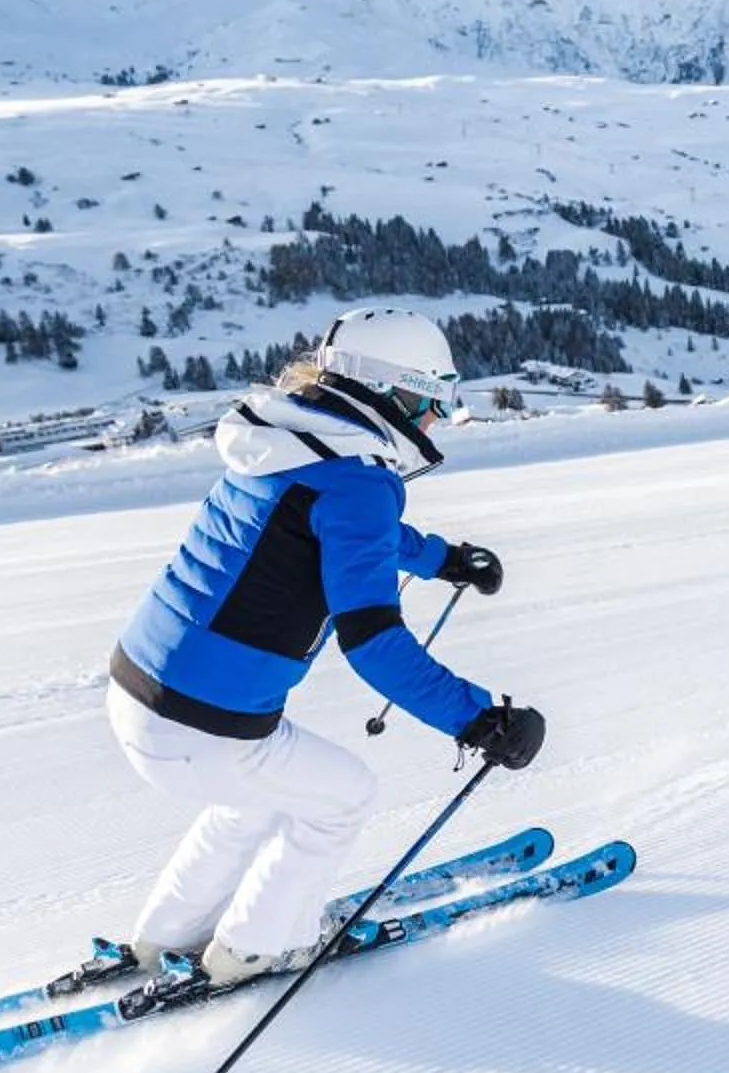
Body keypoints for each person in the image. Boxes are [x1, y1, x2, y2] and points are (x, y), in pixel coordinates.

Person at [104, 306, 545, 991]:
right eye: (431, 400)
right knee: (342, 797)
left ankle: (164, 939)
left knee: (249, 800)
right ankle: (257, 948)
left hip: (138, 694)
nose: (433, 421)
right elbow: (372, 642)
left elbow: (332, 529)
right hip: (205, 724)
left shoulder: (286, 439)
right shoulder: (359, 478)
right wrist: (480, 718)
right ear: (391, 392)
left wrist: (441, 560)